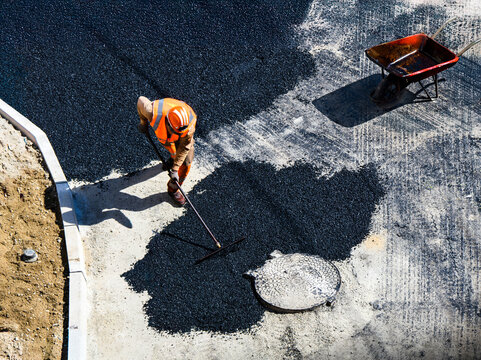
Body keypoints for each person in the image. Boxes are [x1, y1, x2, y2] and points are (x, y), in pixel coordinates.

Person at [137, 96, 196, 206]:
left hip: (185, 140)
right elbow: (141, 100)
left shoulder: (188, 127)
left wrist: (175, 170)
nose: (179, 135)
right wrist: (143, 122)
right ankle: (173, 158)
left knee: (186, 162)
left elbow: (184, 148)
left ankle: (173, 189)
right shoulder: (152, 112)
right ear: (168, 123)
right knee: (172, 150)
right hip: (166, 136)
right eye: (176, 132)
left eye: (180, 133)